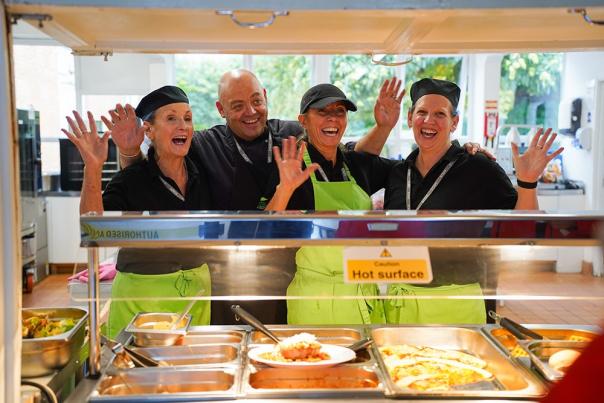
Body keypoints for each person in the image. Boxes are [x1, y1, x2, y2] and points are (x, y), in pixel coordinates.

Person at [382, 78, 564, 324]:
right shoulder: (397, 172)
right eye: (422, 112)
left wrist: (527, 182)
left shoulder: (479, 167)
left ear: (454, 122)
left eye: (440, 114)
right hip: (402, 302)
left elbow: (524, 228)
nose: (428, 121)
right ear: (410, 117)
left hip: (458, 302)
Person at [62, 86, 213, 338]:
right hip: (141, 294)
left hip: (195, 292)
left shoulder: (204, 171)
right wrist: (93, 166)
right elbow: (92, 228)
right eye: (171, 118)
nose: (183, 126)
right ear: (149, 131)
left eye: (187, 118)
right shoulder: (133, 178)